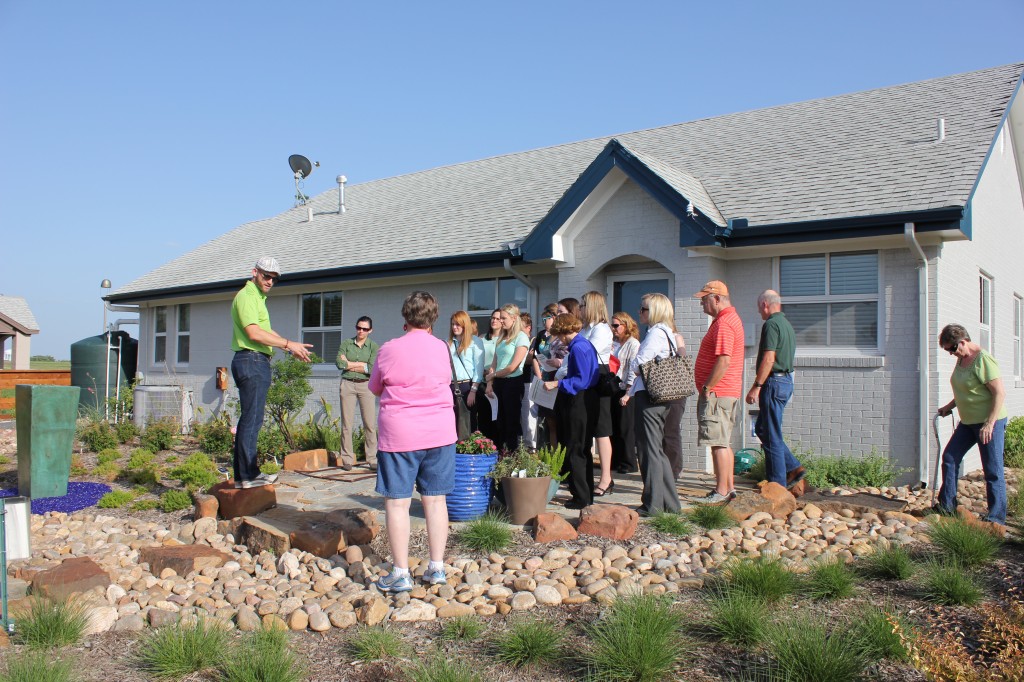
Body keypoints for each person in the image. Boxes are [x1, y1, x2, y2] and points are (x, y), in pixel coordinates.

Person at [370, 291, 457, 592]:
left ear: (405, 316)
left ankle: (400, 572)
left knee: (397, 503)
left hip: (400, 435)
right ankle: (437, 568)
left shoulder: (388, 349)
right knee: (435, 501)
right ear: (433, 318)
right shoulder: (442, 349)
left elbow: (375, 388)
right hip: (440, 432)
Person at [230, 257, 312, 488]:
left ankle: (244, 476)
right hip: (251, 359)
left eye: (274, 278)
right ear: (254, 272)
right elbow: (254, 333)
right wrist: (287, 344)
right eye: (266, 276)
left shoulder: (257, 298)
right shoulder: (247, 297)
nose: (270, 281)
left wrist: (290, 346)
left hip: (255, 360)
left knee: (251, 419)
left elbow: (265, 330)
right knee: (251, 420)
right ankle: (248, 476)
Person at [935, 323, 1008, 526]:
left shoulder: (983, 360)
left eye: (951, 348)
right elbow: (966, 390)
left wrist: (990, 423)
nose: (950, 353)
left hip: (988, 422)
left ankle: (996, 518)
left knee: (992, 470)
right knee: (950, 457)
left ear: (963, 341)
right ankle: (946, 506)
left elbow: (999, 393)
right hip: (968, 422)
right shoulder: (962, 359)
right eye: (947, 350)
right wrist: (949, 406)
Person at [621, 293, 682, 515]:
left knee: (649, 451)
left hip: (650, 397)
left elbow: (640, 362)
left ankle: (652, 504)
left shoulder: (656, 333)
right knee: (658, 451)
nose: (640, 313)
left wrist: (629, 374)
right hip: (662, 398)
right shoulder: (668, 333)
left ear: (655, 311)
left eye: (644, 309)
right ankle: (670, 504)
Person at [692, 280, 745, 503]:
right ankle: (729, 488)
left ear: (716, 299)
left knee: (718, 443)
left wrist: (707, 387)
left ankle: (721, 490)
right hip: (725, 392)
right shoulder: (727, 319)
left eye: (704, 299)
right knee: (723, 441)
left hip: (718, 393)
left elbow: (724, 360)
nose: (702, 304)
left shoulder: (724, 323)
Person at [744, 290, 803, 489]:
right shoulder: (786, 325)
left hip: (774, 382)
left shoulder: (771, 324)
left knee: (771, 434)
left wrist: (756, 386)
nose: (759, 312)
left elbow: (769, 358)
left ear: (765, 305)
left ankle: (777, 485)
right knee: (763, 428)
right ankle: (792, 467)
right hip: (785, 381)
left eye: (759, 308)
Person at [544, 313, 599, 509]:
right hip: (585, 399)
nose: (559, 338)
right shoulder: (583, 344)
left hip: (580, 400)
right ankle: (585, 494)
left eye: (559, 333)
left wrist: (557, 383)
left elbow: (581, 380)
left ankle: (580, 496)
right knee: (581, 448)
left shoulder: (579, 347)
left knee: (576, 448)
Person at [580, 291, 615, 495]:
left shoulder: (601, 329)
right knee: (587, 429)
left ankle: (606, 478)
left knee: (601, 431)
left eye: (584, 305)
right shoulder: (586, 329)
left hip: (598, 377)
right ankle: (587, 476)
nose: (581, 309)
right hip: (586, 378)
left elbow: (588, 353)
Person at [485, 303, 530, 453]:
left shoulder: (521, 337)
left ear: (514, 318)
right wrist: (490, 383)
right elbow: (494, 363)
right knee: (499, 422)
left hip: (513, 383)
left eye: (504, 318)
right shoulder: (502, 337)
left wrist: (494, 375)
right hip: (499, 383)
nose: (501, 321)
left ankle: (513, 456)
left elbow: (513, 367)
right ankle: (501, 455)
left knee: (512, 422)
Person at [336, 316, 380, 470]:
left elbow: (372, 367)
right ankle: (347, 459)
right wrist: (360, 365)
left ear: (370, 331)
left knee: (369, 423)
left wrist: (349, 364)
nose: (361, 331)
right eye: (359, 327)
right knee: (347, 424)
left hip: (366, 386)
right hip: (347, 384)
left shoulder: (373, 346)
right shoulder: (347, 343)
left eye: (365, 329)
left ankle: (372, 458)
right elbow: (339, 363)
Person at [610, 312, 640, 474]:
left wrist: (628, 392)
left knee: (625, 427)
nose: (613, 329)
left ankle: (628, 462)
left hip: (626, 389)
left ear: (626, 326)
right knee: (614, 426)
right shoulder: (614, 343)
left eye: (616, 325)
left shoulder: (633, 344)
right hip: (613, 387)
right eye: (612, 326)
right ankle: (615, 461)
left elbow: (633, 370)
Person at [530, 303, 562, 447]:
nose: (544, 322)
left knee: (557, 418)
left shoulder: (561, 336)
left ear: (555, 318)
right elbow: (535, 357)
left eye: (547, 319)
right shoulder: (541, 335)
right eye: (542, 320)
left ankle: (559, 453)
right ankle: (549, 451)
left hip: (557, 377)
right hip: (543, 377)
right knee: (547, 418)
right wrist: (539, 376)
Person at [448, 310, 484, 433]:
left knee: (469, 421)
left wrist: (473, 390)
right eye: (453, 324)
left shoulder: (475, 342)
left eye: (457, 324)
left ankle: (469, 450)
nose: (454, 327)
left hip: (467, 386)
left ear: (465, 325)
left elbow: (478, 369)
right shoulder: (449, 343)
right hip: (450, 385)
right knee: (452, 421)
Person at [662, 320, 688, 480]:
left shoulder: (676, 337)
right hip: (662, 390)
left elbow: (681, 358)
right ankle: (666, 468)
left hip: (674, 389)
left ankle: (673, 470)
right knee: (663, 431)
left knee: (671, 430)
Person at [476, 310, 502, 444]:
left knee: (496, 417)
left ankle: (496, 446)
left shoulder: (504, 339)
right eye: (493, 318)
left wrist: (492, 372)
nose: (494, 321)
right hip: (482, 381)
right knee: (483, 416)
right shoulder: (481, 338)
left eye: (498, 318)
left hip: (497, 380)